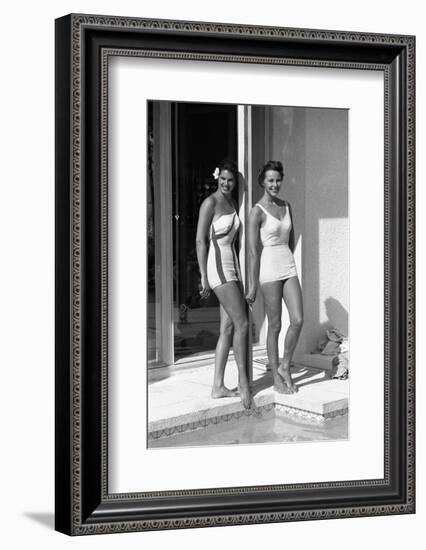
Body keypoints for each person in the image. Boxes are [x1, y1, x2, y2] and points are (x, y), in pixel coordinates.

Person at [196, 159, 251, 408]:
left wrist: (241, 275)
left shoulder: (231, 202)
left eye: (231, 180)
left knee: (228, 329)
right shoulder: (210, 203)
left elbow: (235, 243)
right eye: (223, 179)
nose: (227, 183)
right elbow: (200, 241)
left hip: (232, 268)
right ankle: (244, 383)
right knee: (243, 323)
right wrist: (203, 276)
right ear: (217, 178)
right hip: (217, 269)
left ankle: (218, 386)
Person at [246, 160, 303, 394]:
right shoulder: (256, 212)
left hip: (288, 265)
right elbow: (251, 251)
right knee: (276, 325)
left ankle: (285, 365)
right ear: (263, 181)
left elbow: (291, 239)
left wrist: (289, 259)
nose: (275, 184)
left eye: (278, 179)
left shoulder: (287, 205)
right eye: (270, 180)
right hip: (268, 268)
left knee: (298, 319)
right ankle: (277, 380)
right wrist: (252, 286)